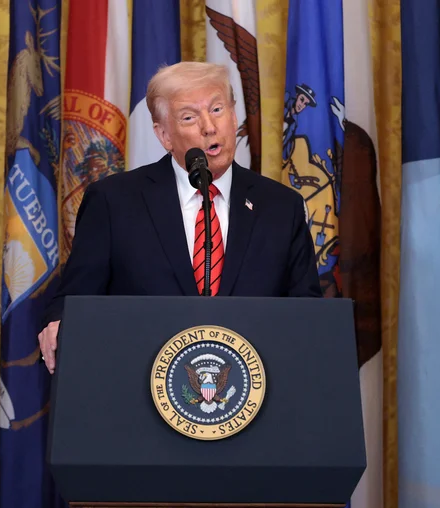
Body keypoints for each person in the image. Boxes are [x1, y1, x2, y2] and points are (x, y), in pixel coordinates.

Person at [38, 61, 321, 373]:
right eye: (189, 117)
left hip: (255, 395)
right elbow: (75, 299)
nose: (209, 127)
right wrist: (60, 322)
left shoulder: (281, 207)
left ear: (233, 114)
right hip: (140, 390)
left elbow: (307, 316)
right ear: (164, 136)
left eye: (217, 109)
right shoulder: (113, 202)